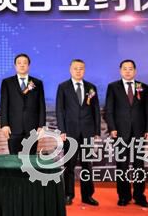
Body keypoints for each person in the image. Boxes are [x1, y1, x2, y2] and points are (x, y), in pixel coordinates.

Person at [104, 59, 148, 208]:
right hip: (119, 132)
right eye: (125, 68)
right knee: (122, 165)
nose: (127, 71)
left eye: (130, 69)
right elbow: (109, 110)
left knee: (139, 165)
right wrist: (112, 128)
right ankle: (123, 196)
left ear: (135, 71)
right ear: (120, 71)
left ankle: (139, 196)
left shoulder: (143, 87)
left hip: (139, 131)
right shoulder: (113, 87)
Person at [55, 59, 100, 206]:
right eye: (75, 68)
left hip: (87, 132)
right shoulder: (63, 87)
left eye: (81, 68)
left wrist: (96, 131)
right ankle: (68, 195)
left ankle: (87, 196)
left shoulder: (91, 87)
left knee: (87, 165)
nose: (78, 71)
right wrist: (62, 130)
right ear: (70, 70)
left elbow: (95, 110)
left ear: (84, 70)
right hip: (70, 132)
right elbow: (60, 110)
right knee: (69, 165)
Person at [0, 53, 46, 154]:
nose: (22, 65)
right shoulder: (7, 82)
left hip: (32, 128)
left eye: (25, 63)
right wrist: (4, 124)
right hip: (13, 128)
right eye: (19, 63)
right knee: (13, 158)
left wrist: (41, 126)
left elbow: (41, 106)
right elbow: (4, 105)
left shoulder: (37, 83)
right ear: (15, 66)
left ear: (28, 66)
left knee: (30, 158)